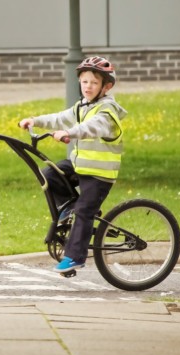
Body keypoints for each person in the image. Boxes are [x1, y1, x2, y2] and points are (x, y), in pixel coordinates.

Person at [18, 56, 127, 274]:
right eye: (85, 81)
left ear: (106, 87)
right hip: (80, 166)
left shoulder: (107, 111)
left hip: (99, 174)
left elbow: (91, 128)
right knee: (49, 174)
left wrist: (69, 132)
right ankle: (68, 207)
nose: (88, 86)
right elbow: (60, 118)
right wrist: (35, 120)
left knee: (84, 212)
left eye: (94, 83)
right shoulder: (83, 106)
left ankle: (75, 257)